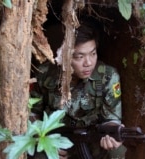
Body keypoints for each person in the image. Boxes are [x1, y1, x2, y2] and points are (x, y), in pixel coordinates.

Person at [31, 18, 127, 159]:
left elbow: (111, 118)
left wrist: (114, 133)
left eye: (93, 54)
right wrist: (45, 141)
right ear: (64, 56)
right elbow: (32, 114)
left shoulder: (107, 76)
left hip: (92, 141)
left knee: (118, 152)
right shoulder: (44, 74)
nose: (88, 63)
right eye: (79, 56)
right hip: (55, 140)